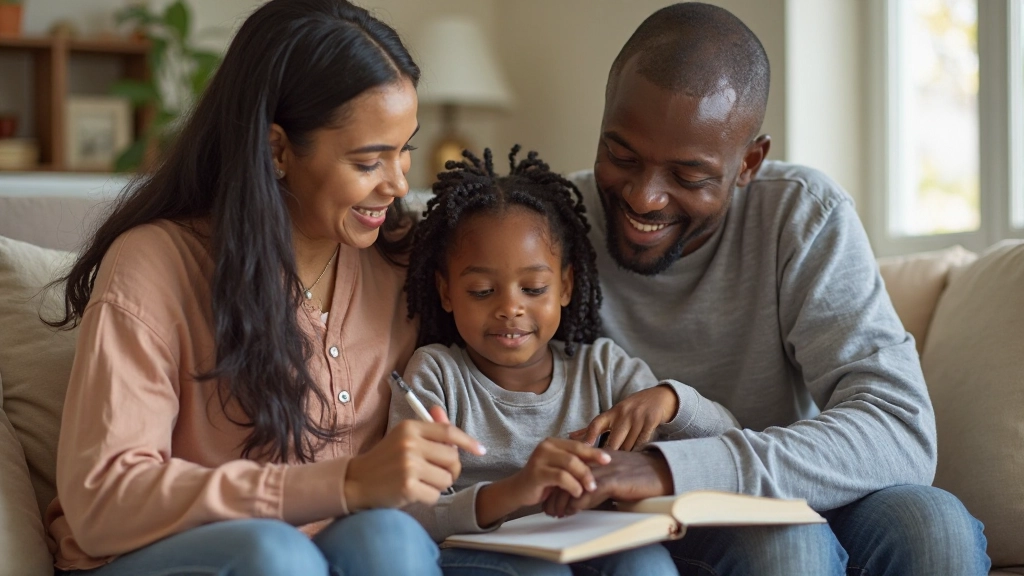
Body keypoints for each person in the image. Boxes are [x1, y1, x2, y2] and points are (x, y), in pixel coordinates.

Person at [547, 3, 991, 575]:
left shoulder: (801, 214)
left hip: (774, 486)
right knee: (786, 546)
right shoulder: (545, 223)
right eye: (621, 155)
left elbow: (898, 427)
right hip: (616, 517)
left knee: (932, 525)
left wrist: (673, 467)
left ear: (750, 162)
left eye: (689, 177)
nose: (644, 198)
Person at [43, 1, 485, 574]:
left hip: (330, 547)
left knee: (390, 539)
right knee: (274, 555)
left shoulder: (402, 260)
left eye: (406, 151)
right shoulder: (155, 263)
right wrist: (343, 481)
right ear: (277, 149)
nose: (398, 183)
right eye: (369, 161)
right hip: (156, 556)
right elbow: (104, 499)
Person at [391, 146, 733, 575]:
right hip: (479, 553)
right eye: (482, 291)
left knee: (647, 564)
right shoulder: (437, 376)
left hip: (594, 542)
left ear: (566, 287)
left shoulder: (604, 371)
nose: (510, 309)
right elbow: (406, 509)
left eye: (533, 289)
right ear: (446, 292)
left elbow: (730, 440)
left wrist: (672, 401)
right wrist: (514, 491)